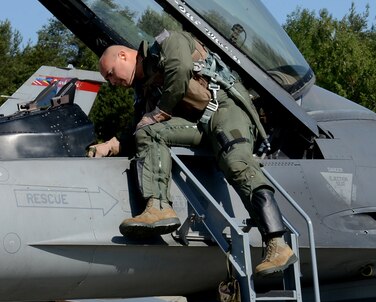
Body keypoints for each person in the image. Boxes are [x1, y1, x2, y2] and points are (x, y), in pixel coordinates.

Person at [89, 29, 296, 277]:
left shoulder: (169, 42)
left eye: (110, 74)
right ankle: (158, 207)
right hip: (198, 126)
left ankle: (277, 243)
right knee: (150, 132)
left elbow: (180, 68)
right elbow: (139, 127)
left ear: (123, 56)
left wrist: (161, 111)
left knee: (237, 163)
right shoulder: (144, 89)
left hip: (224, 109)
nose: (112, 82)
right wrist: (110, 145)